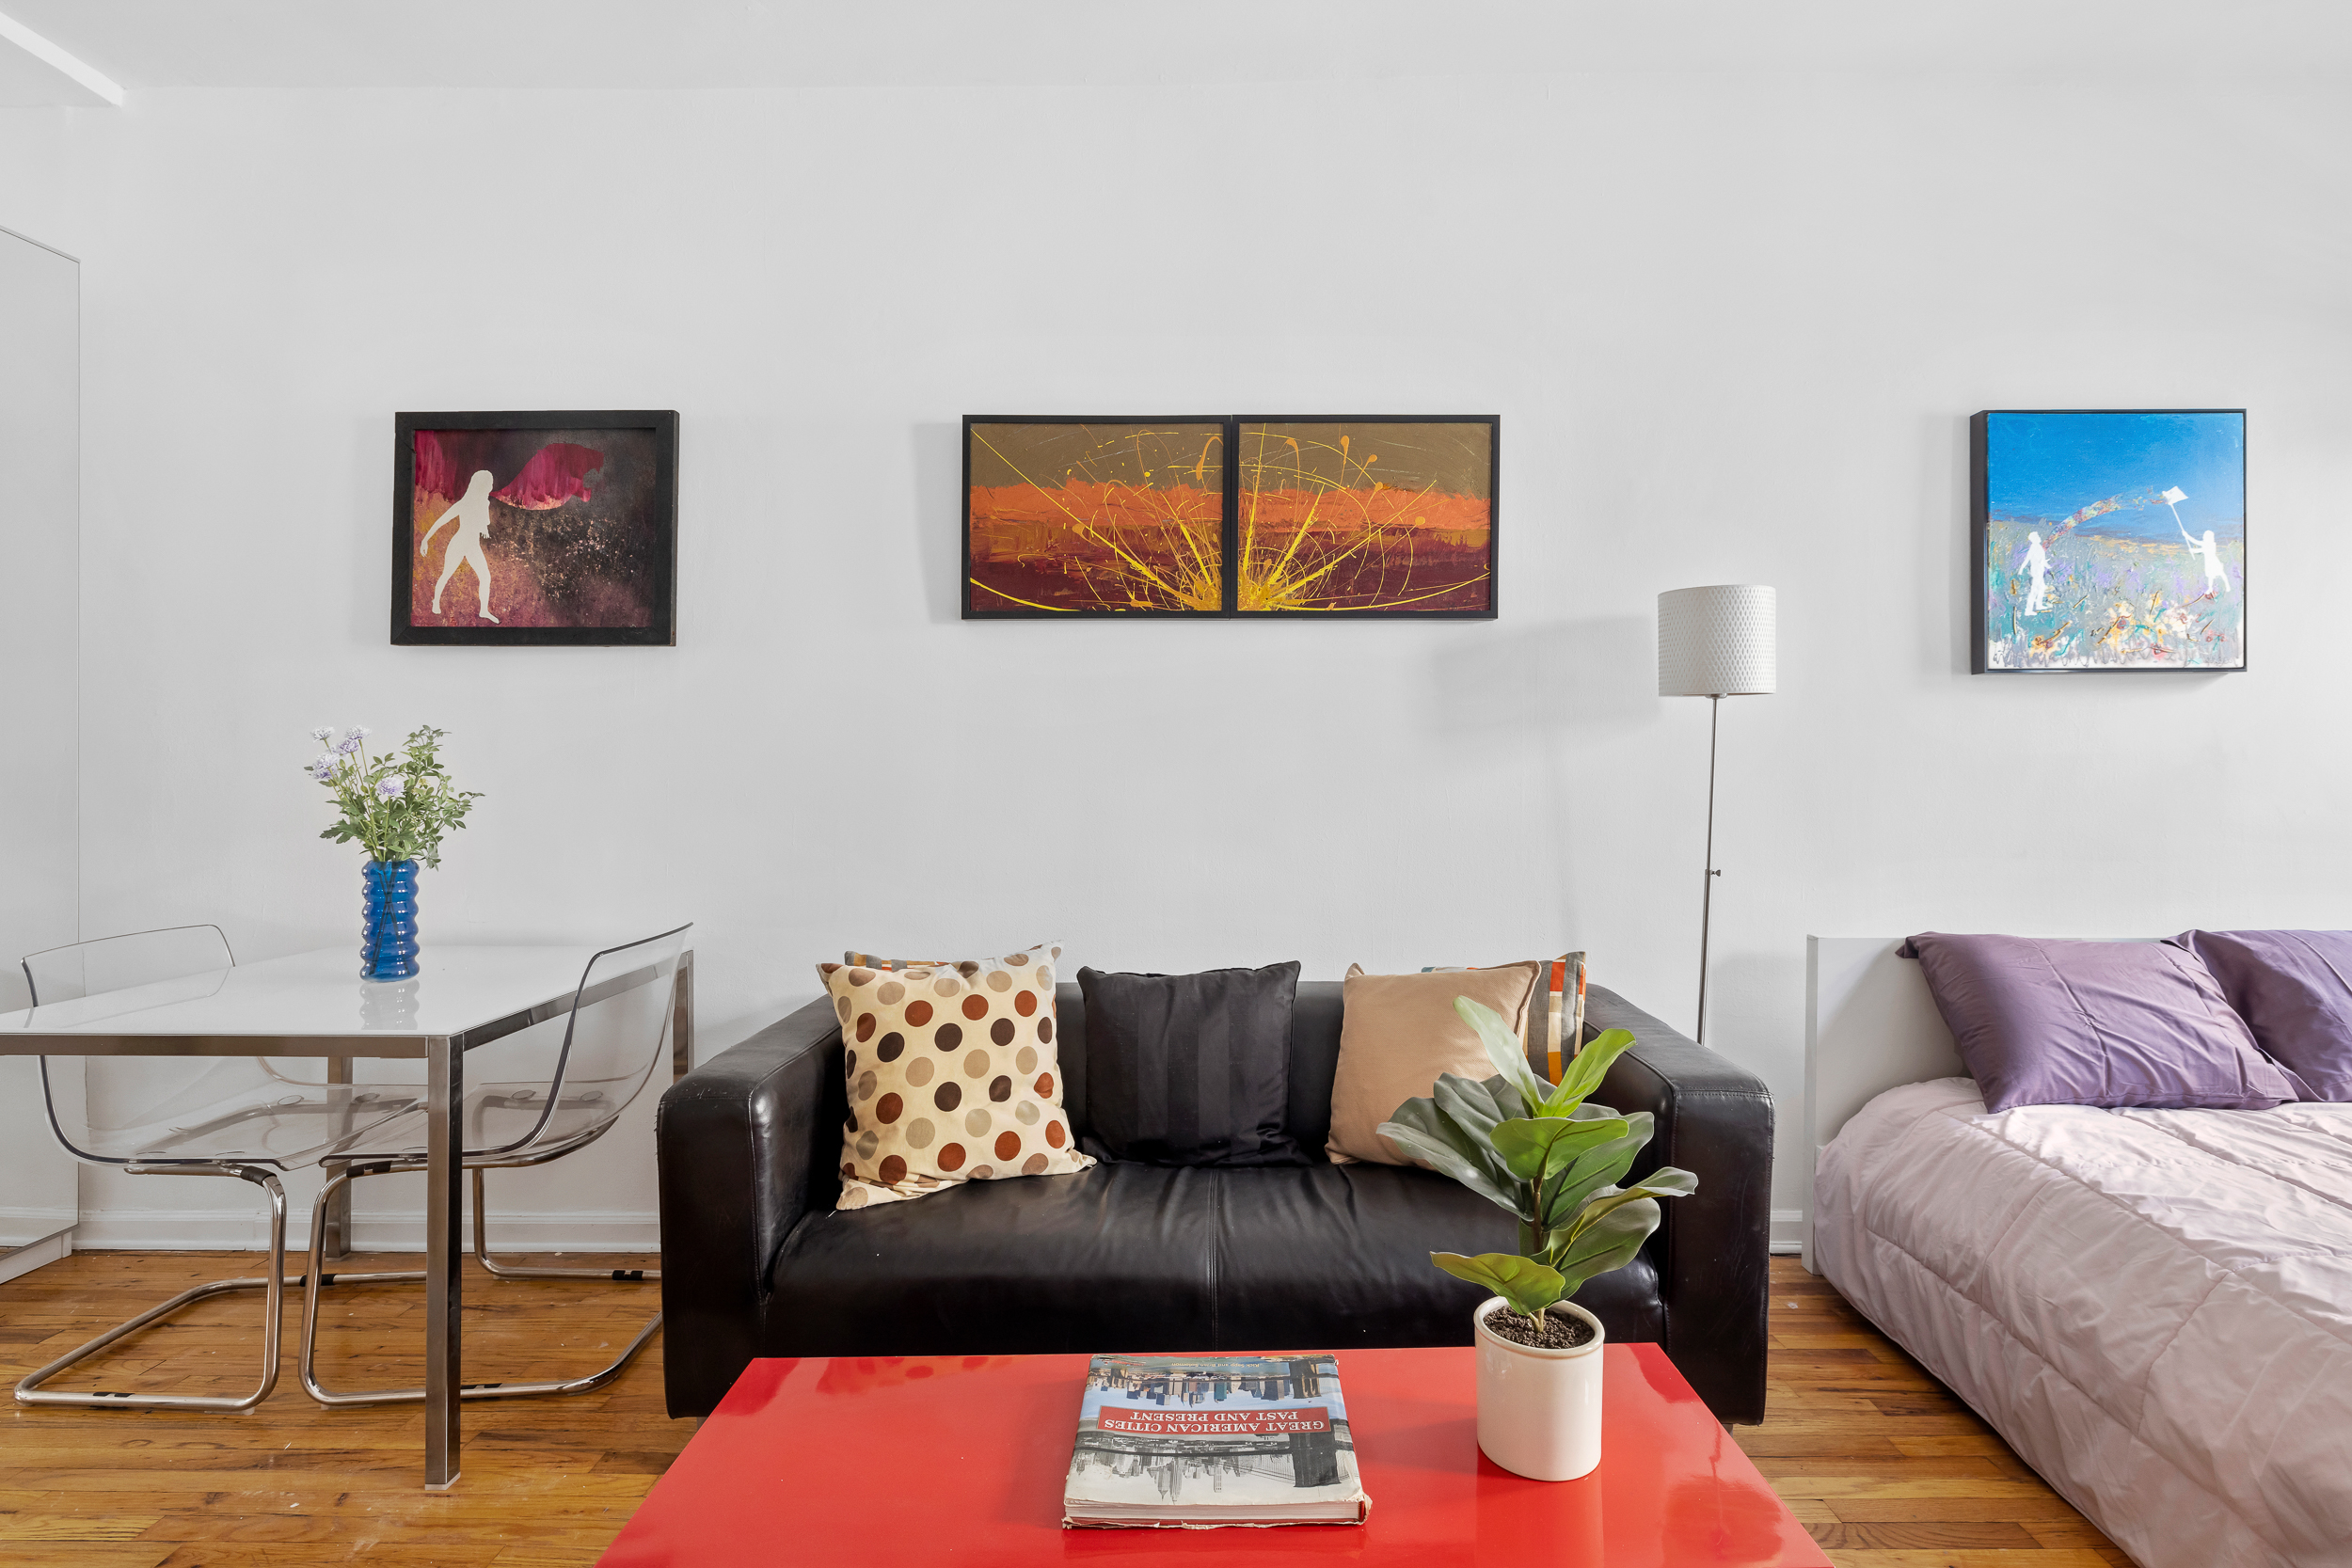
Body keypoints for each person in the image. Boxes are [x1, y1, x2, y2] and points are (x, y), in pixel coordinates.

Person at [419, 468, 501, 623]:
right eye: (489, 484)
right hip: (459, 543)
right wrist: (426, 539)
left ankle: (484, 611)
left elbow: (483, 522)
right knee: (447, 574)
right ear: (480, 486)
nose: (491, 487)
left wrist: (484, 530)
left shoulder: (485, 503)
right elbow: (441, 520)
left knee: (485, 577)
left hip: (473, 546)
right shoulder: (464, 504)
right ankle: (435, 601)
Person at [2020, 531, 2049, 614]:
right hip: (2036, 571)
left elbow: (2041, 560)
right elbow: (2028, 559)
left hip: (2039, 570)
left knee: (2041, 588)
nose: (2039, 538)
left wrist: (2047, 565)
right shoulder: (2034, 547)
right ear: (2034, 539)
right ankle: (2028, 610)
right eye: (2037, 537)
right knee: (2034, 590)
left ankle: (2038, 605)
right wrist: (2021, 569)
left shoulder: (2038, 546)